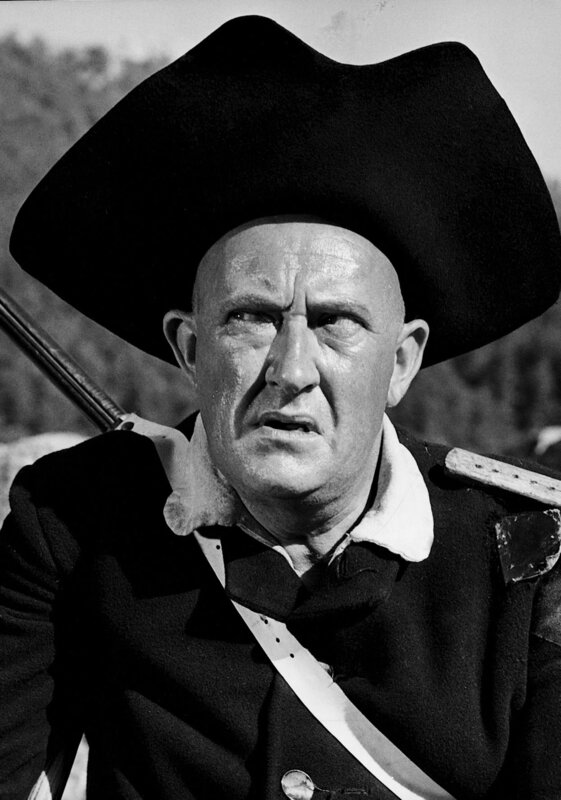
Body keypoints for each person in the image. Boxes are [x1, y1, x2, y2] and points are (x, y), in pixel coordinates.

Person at [2, 14, 561, 800]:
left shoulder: (529, 555)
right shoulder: (71, 524)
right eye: (250, 318)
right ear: (189, 348)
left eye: (334, 322)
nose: (291, 370)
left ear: (401, 362)